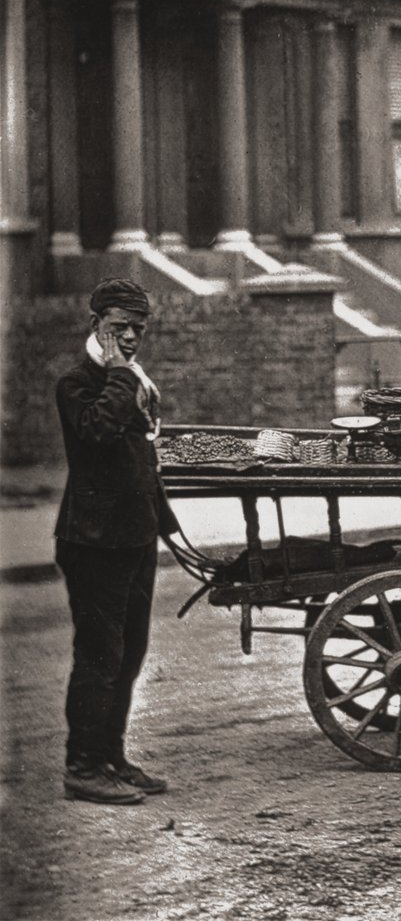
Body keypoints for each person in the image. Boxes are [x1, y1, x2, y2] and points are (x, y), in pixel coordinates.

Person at [55, 278, 178, 805]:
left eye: (137, 330)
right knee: (100, 655)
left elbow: (139, 455)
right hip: (93, 541)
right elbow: (99, 432)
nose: (129, 338)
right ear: (95, 326)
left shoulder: (132, 381)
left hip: (132, 535)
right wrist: (123, 375)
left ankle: (111, 756)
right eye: (119, 328)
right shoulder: (78, 383)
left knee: (129, 654)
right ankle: (82, 767)